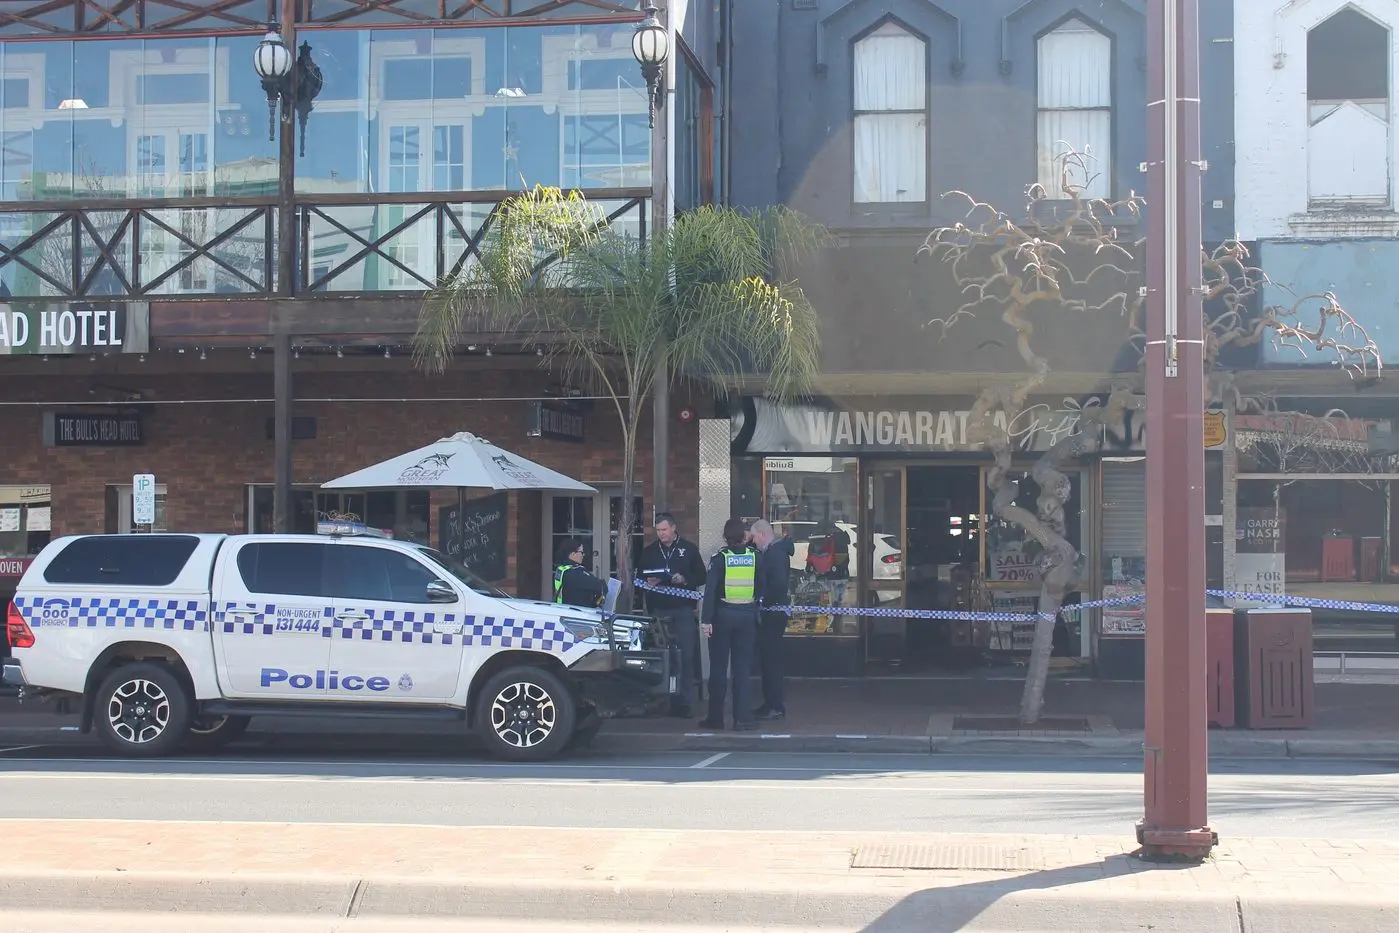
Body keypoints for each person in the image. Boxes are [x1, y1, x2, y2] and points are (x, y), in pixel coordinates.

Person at [639, 512, 708, 717]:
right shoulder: (650, 552)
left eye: (664, 530)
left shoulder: (688, 549)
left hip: (683, 610)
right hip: (659, 611)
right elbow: (639, 577)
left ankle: (683, 703)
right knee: (663, 657)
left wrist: (684, 579)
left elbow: (702, 575)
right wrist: (649, 582)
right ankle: (662, 701)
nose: (661, 534)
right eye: (658, 530)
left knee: (686, 656)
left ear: (673, 528)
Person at [699, 518, 763, 731]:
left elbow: (709, 592)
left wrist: (706, 620)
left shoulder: (719, 558)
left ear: (726, 537)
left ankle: (715, 719)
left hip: (723, 616)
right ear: (745, 536)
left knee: (718, 670)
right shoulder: (755, 557)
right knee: (742, 670)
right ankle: (742, 719)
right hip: (747, 616)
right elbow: (762, 585)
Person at [748, 520, 793, 721]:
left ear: (762, 535)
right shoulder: (772, 552)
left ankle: (774, 705)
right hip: (772, 613)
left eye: (754, 537)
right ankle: (770, 703)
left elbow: (778, 584)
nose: (753, 541)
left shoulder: (774, 554)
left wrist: (762, 599)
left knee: (771, 661)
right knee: (767, 661)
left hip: (772, 615)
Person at [552, 537, 608, 609]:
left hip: (563, 609)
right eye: (581, 552)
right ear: (572, 555)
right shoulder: (576, 573)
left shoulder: (561, 569)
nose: (583, 555)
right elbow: (601, 586)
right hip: (578, 614)